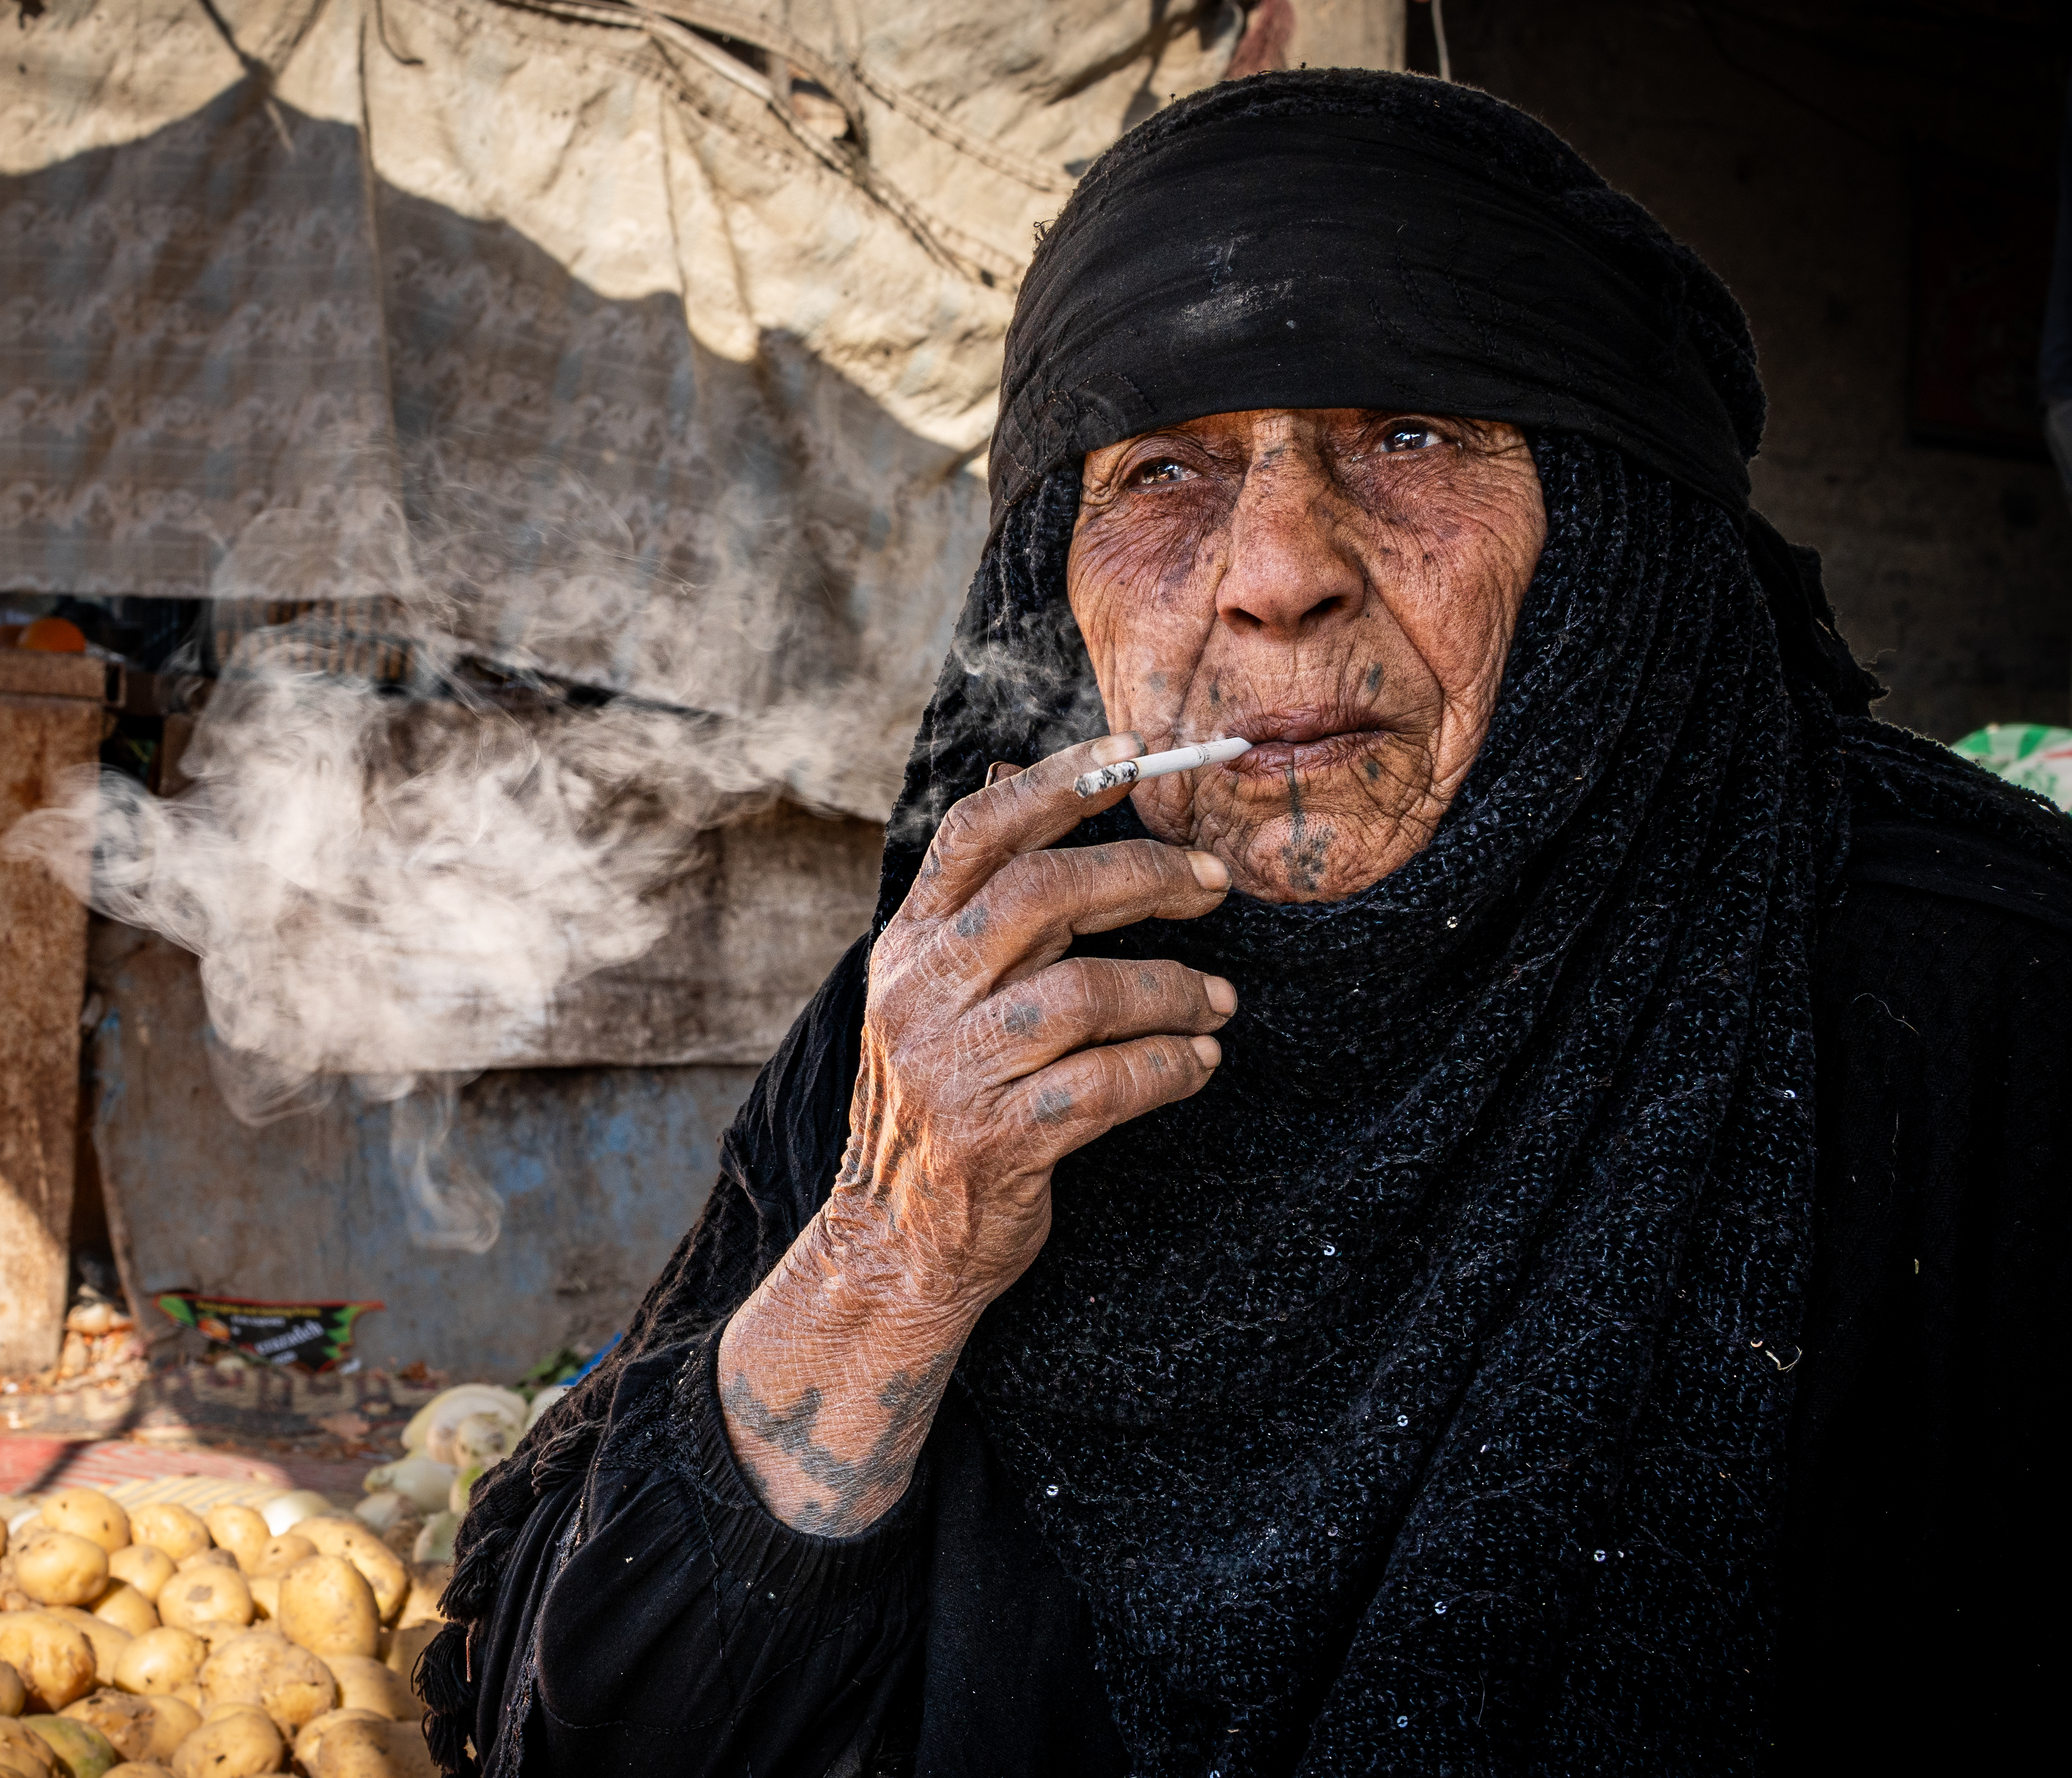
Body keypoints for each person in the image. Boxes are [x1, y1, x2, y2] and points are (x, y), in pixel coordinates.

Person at [419, 70, 2072, 1776]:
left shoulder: (1970, 1004)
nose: (1277, 571)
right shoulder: (958, 1019)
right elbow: (585, 1739)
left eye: (1410, 436)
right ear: (1050, 584)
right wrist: (891, 1258)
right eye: (1163, 472)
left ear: (1605, 531)